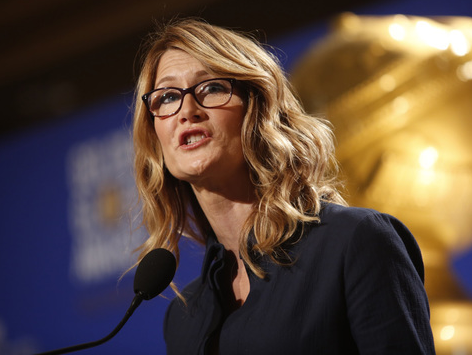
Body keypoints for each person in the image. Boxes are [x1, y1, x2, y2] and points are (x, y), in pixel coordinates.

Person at [131, 18, 436, 354]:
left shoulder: (355, 242)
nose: (187, 110)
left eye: (212, 88)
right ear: (154, 133)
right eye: (167, 96)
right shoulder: (182, 318)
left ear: (258, 109)